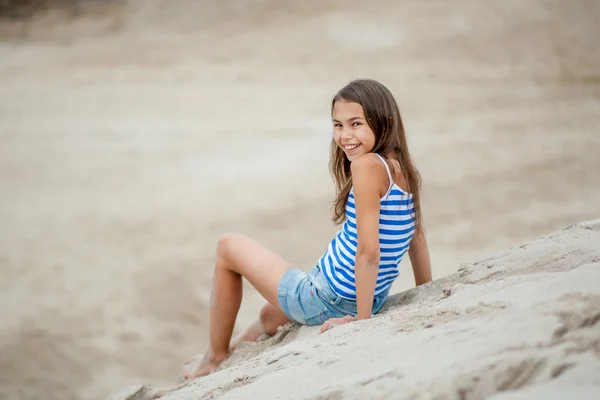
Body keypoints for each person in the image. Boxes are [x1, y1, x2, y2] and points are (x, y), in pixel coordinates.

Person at [183, 79, 432, 379]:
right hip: (362, 294)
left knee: (227, 246)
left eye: (355, 124)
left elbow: (368, 251)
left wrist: (362, 321)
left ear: (384, 122)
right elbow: (417, 238)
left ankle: (215, 357)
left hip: (330, 296)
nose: (345, 136)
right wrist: (425, 292)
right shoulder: (402, 166)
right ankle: (234, 347)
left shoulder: (367, 166)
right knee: (269, 316)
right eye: (338, 125)